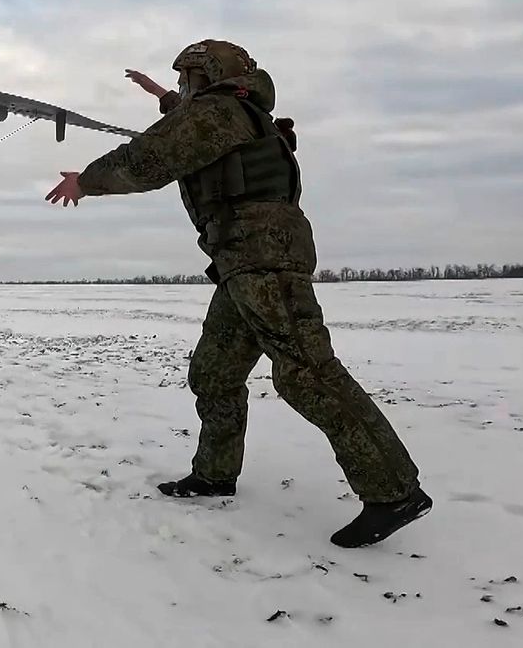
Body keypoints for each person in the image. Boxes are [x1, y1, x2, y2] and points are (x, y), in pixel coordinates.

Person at [45, 40, 431, 548]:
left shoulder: (218, 113)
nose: (183, 89)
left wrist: (87, 181)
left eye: (186, 80)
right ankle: (214, 475)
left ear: (207, 78)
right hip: (241, 260)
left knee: (307, 373)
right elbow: (188, 125)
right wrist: (162, 95)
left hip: (262, 256)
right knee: (215, 372)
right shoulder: (234, 111)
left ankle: (394, 491)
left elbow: (150, 158)